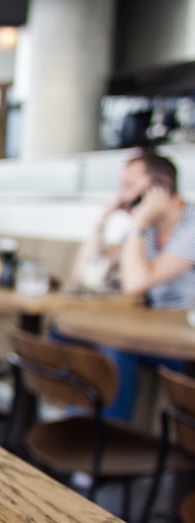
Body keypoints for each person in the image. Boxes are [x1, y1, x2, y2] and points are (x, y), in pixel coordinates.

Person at [65, 150, 195, 420]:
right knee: (65, 336)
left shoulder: (188, 224)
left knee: (113, 347)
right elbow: (84, 276)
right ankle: (77, 433)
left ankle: (99, 446)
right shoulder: (146, 229)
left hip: (185, 346)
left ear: (160, 188)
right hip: (157, 335)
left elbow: (134, 285)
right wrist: (102, 221)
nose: (121, 196)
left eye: (128, 186)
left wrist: (138, 222)